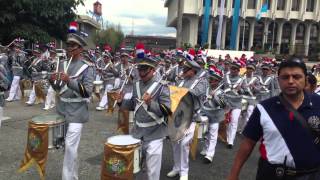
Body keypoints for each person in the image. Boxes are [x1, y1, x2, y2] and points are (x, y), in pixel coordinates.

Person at [227, 57, 320, 180]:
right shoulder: (263, 108)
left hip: (311, 175)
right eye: (285, 77)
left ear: (305, 80)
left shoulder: (318, 103)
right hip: (271, 174)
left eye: (296, 77)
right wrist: (234, 174)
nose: (291, 81)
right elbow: (248, 143)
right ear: (278, 80)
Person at [114, 56, 171, 180]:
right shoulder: (137, 84)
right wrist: (120, 102)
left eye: (145, 70)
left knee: (152, 173)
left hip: (155, 134)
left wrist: (151, 103)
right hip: (138, 132)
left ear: (152, 70)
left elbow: (167, 111)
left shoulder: (162, 86)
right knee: (136, 169)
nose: (141, 73)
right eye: (140, 70)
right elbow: (134, 105)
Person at [50, 32, 94, 180]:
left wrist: (69, 81)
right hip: (62, 110)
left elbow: (87, 92)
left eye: (72, 46)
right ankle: (73, 176)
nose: (69, 48)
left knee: (70, 147)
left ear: (80, 48)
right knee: (66, 148)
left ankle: (66, 178)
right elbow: (58, 89)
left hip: (77, 112)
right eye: (68, 45)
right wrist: (52, 81)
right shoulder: (62, 64)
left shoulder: (87, 67)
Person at [167, 58, 206, 180]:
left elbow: (196, 92)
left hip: (192, 117)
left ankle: (184, 172)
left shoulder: (202, 81)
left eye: (186, 69)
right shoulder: (181, 81)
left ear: (193, 70)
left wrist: (178, 90)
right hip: (178, 116)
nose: (183, 71)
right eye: (183, 68)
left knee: (184, 144)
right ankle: (176, 167)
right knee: (175, 142)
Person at [200, 65, 226, 163]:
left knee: (213, 135)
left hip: (215, 114)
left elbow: (223, 104)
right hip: (204, 113)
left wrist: (215, 96)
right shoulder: (206, 89)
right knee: (205, 133)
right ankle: (206, 148)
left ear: (218, 81)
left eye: (214, 80)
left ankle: (210, 155)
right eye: (210, 80)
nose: (211, 82)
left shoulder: (221, 92)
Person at [223, 61, 243, 148]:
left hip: (236, 102)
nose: (233, 70)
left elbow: (245, 91)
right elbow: (221, 87)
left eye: (235, 69)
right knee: (225, 122)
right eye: (232, 68)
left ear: (238, 71)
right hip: (226, 102)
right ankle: (227, 136)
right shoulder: (225, 77)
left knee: (234, 121)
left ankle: (230, 141)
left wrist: (240, 90)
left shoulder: (242, 79)